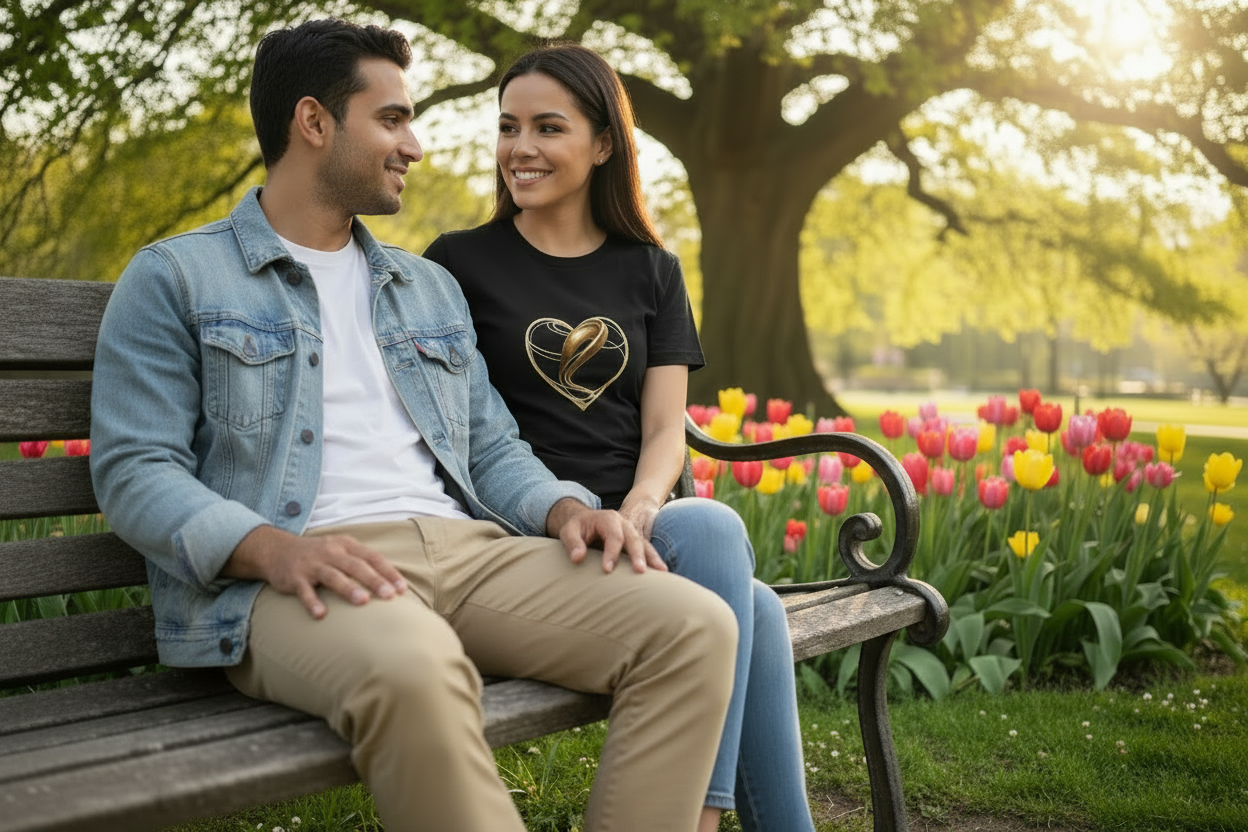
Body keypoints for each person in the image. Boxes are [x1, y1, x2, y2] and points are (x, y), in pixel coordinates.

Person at [89, 19, 738, 832]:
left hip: (467, 556)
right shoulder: (177, 276)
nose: (416, 145)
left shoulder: (422, 287)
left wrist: (567, 509)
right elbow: (134, 471)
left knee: (695, 626)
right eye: (392, 119)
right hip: (292, 575)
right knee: (418, 666)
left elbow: (492, 444)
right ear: (315, 123)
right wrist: (272, 548)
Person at [424, 43, 817, 832]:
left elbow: (668, 425)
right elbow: (459, 430)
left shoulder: (651, 269)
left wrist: (642, 502)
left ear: (603, 144)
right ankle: (700, 823)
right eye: (508, 127)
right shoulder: (456, 265)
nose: (520, 148)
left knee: (705, 532)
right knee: (756, 608)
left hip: (638, 524)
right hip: (531, 535)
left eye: (547, 127)